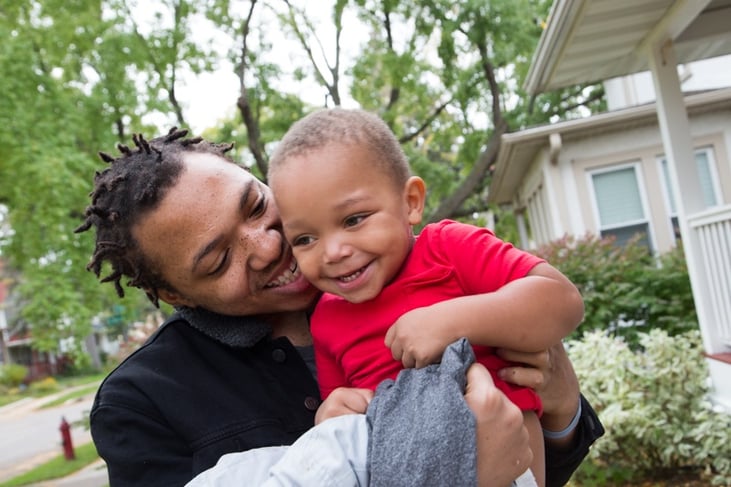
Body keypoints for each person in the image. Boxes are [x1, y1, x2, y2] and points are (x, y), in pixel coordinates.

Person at [77, 128, 603, 486]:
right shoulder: (141, 405)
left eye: (257, 205)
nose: (268, 245)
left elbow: (533, 451)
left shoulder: (389, 264)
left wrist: (562, 413)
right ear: (176, 295)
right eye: (218, 261)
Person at [267, 108, 586, 486]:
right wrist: (331, 414)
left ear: (411, 202)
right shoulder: (325, 319)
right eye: (305, 239)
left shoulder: (449, 249)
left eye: (354, 219)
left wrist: (451, 320)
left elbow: (563, 301)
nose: (333, 251)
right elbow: (340, 405)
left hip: (511, 469)